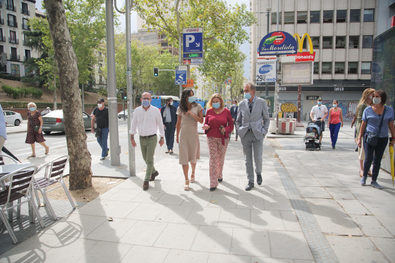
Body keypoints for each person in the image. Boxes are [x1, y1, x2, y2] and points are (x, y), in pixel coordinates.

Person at [357, 90, 395, 189]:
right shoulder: (368, 110)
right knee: (368, 158)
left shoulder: (389, 110)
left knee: (377, 160)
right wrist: (359, 137)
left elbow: (391, 125)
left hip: (382, 138)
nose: (375, 98)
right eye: (374, 96)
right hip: (369, 137)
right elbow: (363, 124)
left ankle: (374, 180)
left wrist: (393, 138)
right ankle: (364, 177)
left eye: (377, 96)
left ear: (382, 98)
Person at [236, 83, 270, 191]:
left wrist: (264, 132)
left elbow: (267, 118)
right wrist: (239, 131)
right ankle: (250, 181)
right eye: (244, 91)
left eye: (246, 91)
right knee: (247, 159)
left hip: (258, 134)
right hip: (245, 134)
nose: (245, 93)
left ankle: (258, 173)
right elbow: (238, 120)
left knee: (258, 157)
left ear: (253, 91)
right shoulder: (241, 104)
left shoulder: (261, 102)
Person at [130, 92, 165, 190]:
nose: (146, 100)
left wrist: (162, 137)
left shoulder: (155, 111)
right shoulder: (137, 111)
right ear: (141, 99)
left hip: (152, 138)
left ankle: (146, 180)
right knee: (145, 158)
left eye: (148, 98)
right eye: (144, 98)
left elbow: (160, 124)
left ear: (151, 100)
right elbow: (133, 124)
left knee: (149, 159)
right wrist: (132, 137)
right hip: (142, 138)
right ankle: (154, 172)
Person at [202, 94, 234, 191]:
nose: (215, 103)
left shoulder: (226, 111)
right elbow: (206, 122)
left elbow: (231, 125)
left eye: (217, 101)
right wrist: (206, 126)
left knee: (220, 158)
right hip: (211, 137)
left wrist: (226, 129)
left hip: (223, 138)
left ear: (220, 102)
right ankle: (213, 182)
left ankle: (219, 174)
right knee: (213, 159)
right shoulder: (209, 111)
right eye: (213, 102)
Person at [176, 89, 204, 191]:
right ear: (185, 97)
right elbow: (178, 123)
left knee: (193, 158)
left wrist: (191, 114)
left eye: (193, 95)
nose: (192, 97)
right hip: (183, 135)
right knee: (184, 158)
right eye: (190, 95)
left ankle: (193, 172)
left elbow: (201, 121)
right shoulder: (180, 108)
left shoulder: (198, 106)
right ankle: (186, 180)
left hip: (193, 135)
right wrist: (177, 135)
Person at [352, 88, 375, 177]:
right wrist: (359, 134)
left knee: (368, 152)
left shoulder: (372, 105)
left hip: (370, 131)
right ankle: (361, 169)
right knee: (362, 151)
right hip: (363, 131)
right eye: (372, 95)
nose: (373, 97)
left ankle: (367, 169)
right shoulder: (363, 105)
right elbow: (360, 120)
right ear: (367, 95)